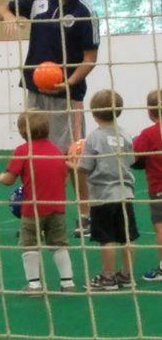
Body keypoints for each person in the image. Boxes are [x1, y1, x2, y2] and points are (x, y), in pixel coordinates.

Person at [0, 0, 100, 238]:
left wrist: (68, 82)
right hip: (34, 90)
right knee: (36, 154)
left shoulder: (85, 12)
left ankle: (85, 216)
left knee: (72, 156)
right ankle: (36, 216)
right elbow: (3, 7)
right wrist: (8, 17)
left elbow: (90, 59)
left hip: (67, 96)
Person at [0, 110, 75, 294]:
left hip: (33, 209)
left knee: (29, 245)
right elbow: (64, 179)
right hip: (57, 208)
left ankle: (34, 285)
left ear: (23, 132)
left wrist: (0, 177)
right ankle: (67, 283)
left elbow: (9, 179)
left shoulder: (23, 151)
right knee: (59, 244)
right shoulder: (55, 150)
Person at [74, 89, 138, 290]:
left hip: (103, 196)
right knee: (127, 237)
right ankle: (127, 275)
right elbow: (132, 159)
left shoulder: (94, 138)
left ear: (93, 113)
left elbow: (85, 167)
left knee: (107, 238)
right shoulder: (126, 134)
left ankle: (107, 277)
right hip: (126, 194)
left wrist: (72, 165)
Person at [133, 90, 162, 281]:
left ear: (150, 112)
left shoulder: (149, 134)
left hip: (159, 188)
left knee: (161, 227)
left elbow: (135, 158)